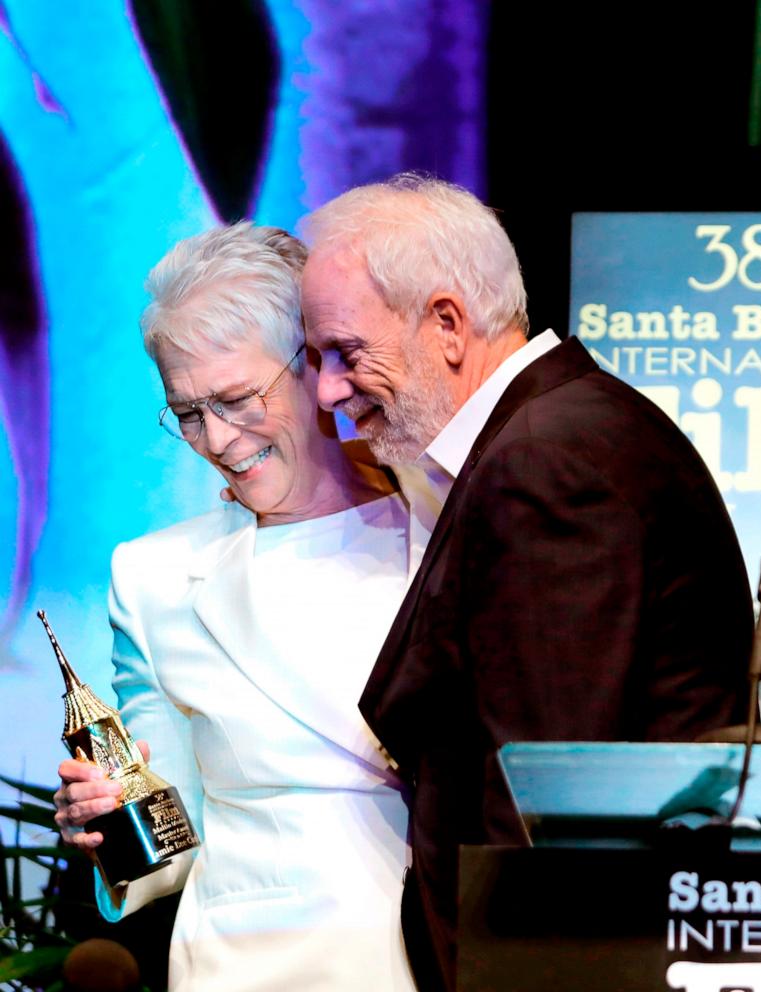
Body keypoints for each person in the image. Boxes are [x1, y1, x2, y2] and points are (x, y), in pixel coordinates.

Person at [300, 173, 755, 991]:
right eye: (315, 359)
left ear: (446, 323)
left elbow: (544, 796)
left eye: (347, 353)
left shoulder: (544, 462)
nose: (328, 391)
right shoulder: (564, 428)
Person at [54, 223, 438, 992]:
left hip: (428, 950)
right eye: (188, 413)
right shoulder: (155, 576)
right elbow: (172, 823)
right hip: (246, 962)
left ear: (318, 369)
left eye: (235, 399)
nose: (218, 440)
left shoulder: (441, 529)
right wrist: (110, 826)